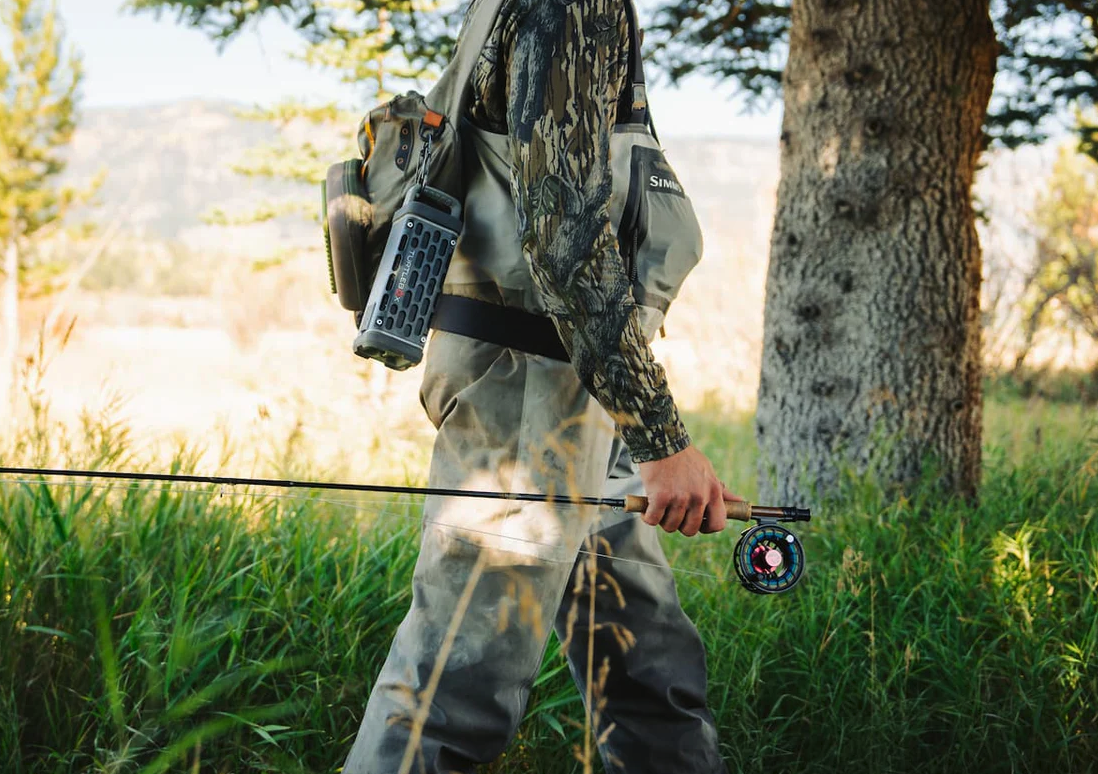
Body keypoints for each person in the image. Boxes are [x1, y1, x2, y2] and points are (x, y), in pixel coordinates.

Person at [342, 0, 739, 771]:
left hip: (573, 391)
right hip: (528, 400)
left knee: (647, 672)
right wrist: (660, 440)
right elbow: (562, 241)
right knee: (454, 691)